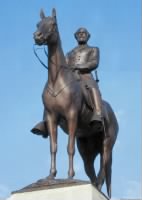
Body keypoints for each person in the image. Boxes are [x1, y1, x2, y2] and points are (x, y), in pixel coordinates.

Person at [66, 27, 103, 123]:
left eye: (84, 33)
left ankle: (98, 113)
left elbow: (94, 63)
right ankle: (45, 121)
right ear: (76, 36)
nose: (81, 34)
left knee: (93, 88)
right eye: (79, 33)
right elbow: (64, 66)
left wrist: (79, 66)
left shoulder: (93, 49)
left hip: (85, 76)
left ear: (88, 36)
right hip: (70, 78)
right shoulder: (69, 53)